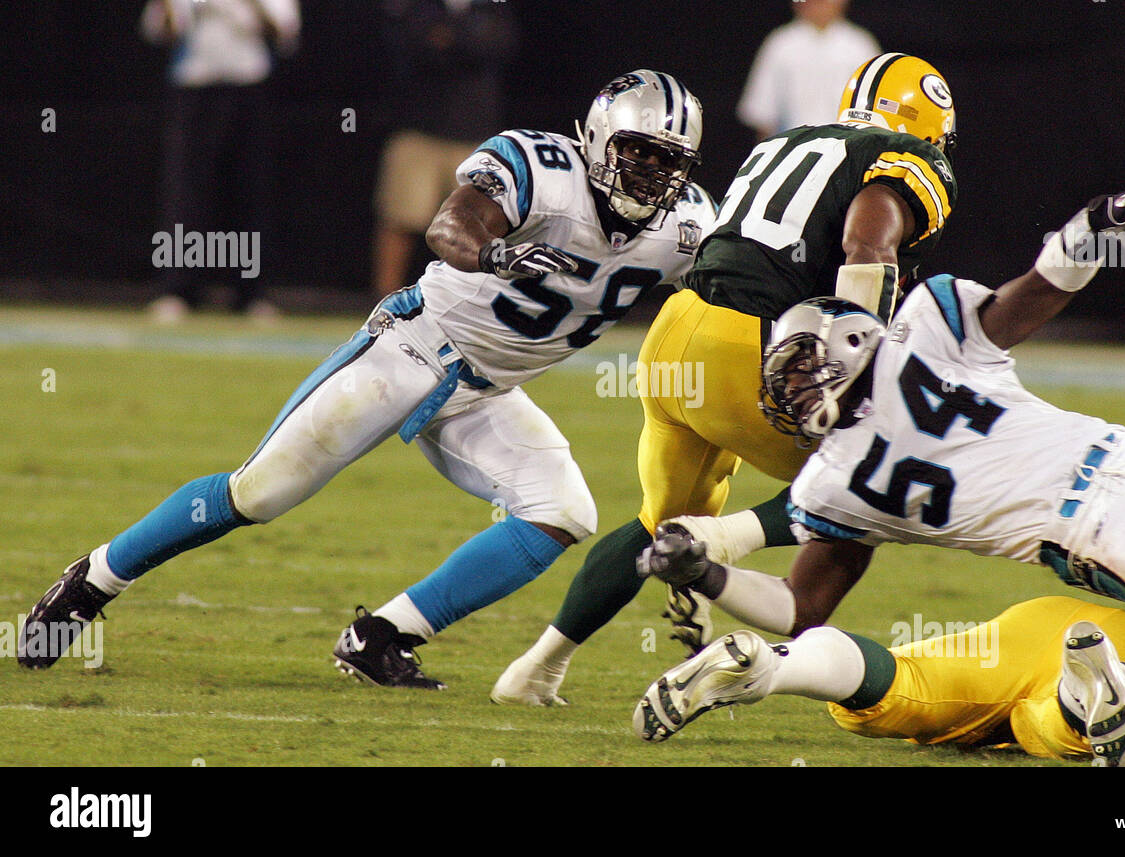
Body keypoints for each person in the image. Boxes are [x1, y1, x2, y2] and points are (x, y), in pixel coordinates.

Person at [19, 71, 715, 690]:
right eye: (639, 152)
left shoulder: (688, 224)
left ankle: (382, 636)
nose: (652, 174)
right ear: (596, 139)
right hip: (413, 348)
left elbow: (729, 296)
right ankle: (94, 579)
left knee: (562, 511)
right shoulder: (542, 167)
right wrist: (497, 254)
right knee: (258, 493)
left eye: (670, 161)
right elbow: (450, 225)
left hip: (490, 391)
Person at [635, 180, 1125, 758]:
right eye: (787, 380)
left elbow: (1035, 294)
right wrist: (708, 575)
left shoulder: (923, 334)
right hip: (1096, 532)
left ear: (854, 338)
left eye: (803, 366)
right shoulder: (832, 479)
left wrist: (1090, 228)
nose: (795, 391)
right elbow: (801, 604)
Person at [493, 54, 958, 706]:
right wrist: (856, 366)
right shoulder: (907, 157)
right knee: (873, 485)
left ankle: (537, 667)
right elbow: (868, 244)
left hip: (677, 333)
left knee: (657, 521)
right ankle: (719, 546)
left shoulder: (789, 141)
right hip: (756, 343)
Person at [631, 593, 1125, 766]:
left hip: (1060, 623)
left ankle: (771, 668)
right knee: (1089, 737)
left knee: (895, 690)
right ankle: (1085, 695)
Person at [139, 0, 300, 323]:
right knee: (185, 195)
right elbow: (160, 31)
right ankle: (178, 289)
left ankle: (251, 293)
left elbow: (284, 32)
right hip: (193, 87)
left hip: (249, 86)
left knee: (249, 192)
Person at [371, 0, 519, 299]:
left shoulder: (491, 7)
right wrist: (465, 41)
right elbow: (406, 44)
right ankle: (384, 300)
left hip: (475, 137)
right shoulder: (418, 6)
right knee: (401, 220)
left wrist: (449, 39)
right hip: (418, 129)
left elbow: (498, 47)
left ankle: (475, 303)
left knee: (480, 226)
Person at [737, 0, 881, 142]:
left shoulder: (860, 44)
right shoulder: (781, 43)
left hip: (849, 146)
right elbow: (764, 114)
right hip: (794, 147)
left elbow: (877, 111)